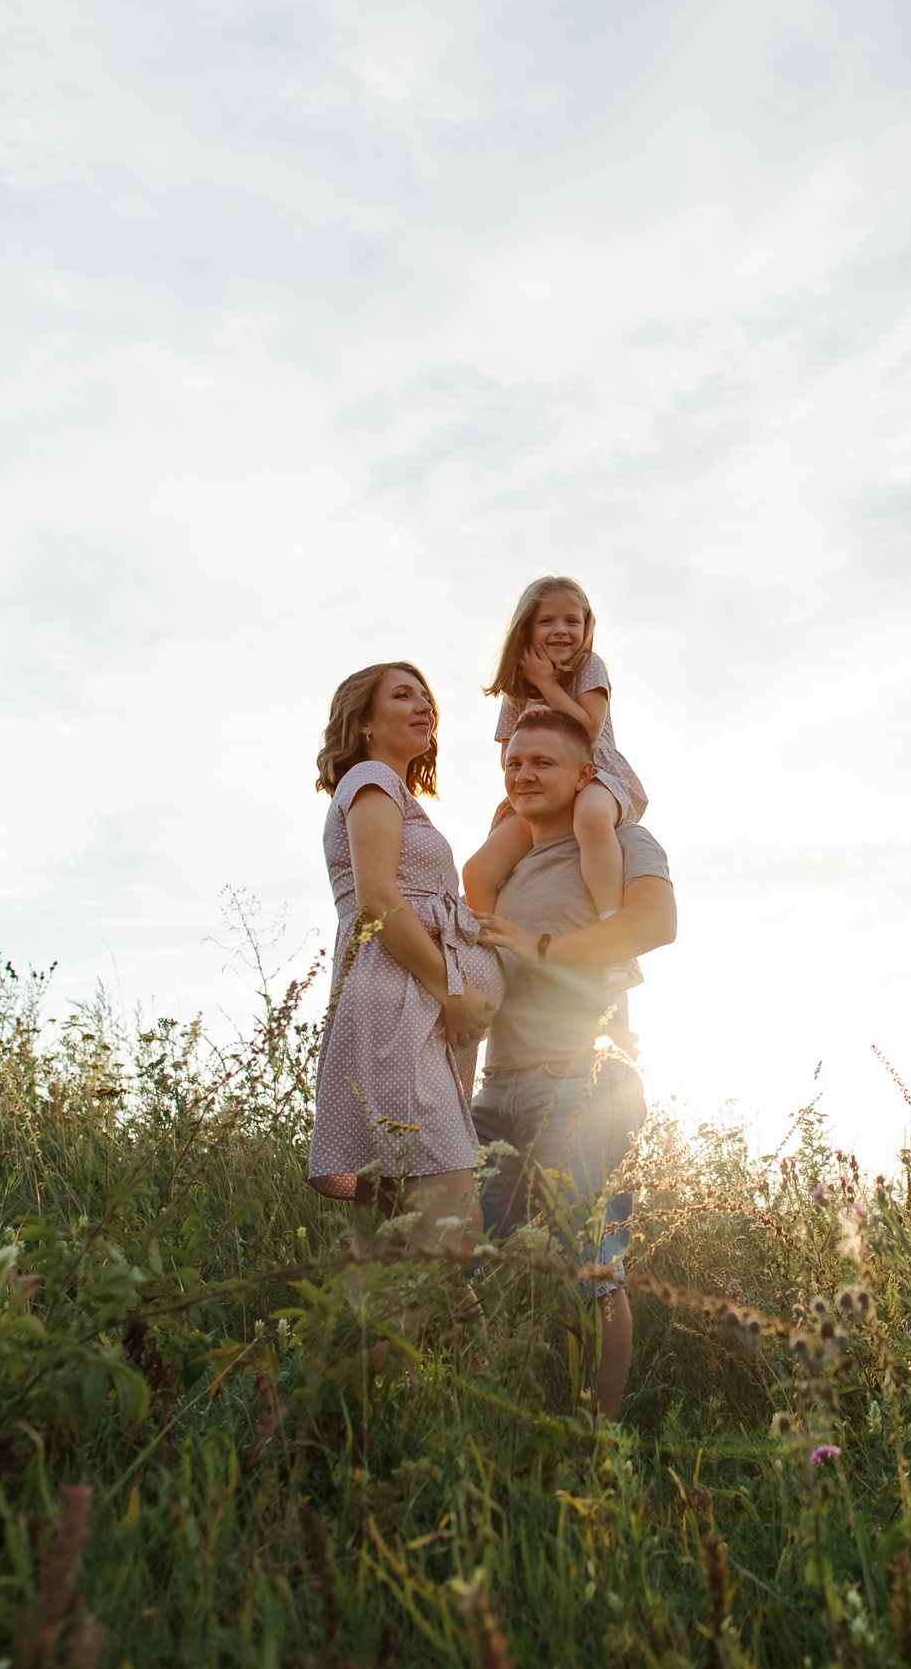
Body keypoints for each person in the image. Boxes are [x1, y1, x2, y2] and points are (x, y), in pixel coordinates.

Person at [470, 706, 677, 1421]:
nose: (523, 773)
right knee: (472, 1260)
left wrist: (542, 948)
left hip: (584, 1082)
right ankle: (498, 1418)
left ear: (585, 774)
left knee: (587, 1267)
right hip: (496, 1087)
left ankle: (596, 1439)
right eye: (513, 763)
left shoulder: (624, 840)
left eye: (542, 762)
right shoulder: (508, 863)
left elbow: (654, 923)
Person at [308, 662, 503, 1269]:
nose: (424, 706)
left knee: (400, 1241)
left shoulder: (394, 792)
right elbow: (380, 899)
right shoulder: (372, 780)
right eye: (402, 695)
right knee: (448, 1231)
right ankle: (389, 1360)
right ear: (364, 724)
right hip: (402, 1007)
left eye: (426, 697)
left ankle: (390, 1361)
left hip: (406, 1006)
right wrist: (454, 991)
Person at [462, 576, 649, 990]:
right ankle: (495, 960)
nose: (561, 630)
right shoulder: (517, 685)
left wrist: (548, 684)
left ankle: (615, 940)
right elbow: (507, 755)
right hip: (543, 791)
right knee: (477, 870)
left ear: (586, 627)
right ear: (527, 628)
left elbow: (589, 728)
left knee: (591, 821)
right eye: (547, 621)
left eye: (572, 620)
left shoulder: (588, 667)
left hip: (594, 777)